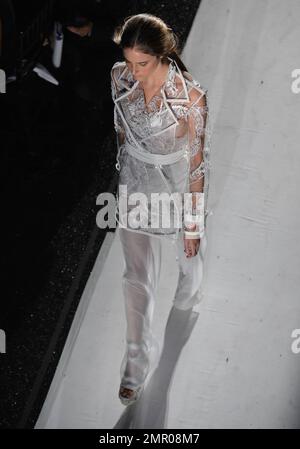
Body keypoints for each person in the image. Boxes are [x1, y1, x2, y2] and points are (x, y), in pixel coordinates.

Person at [110, 13, 212, 406]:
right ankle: (135, 361)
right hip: (135, 183)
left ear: (163, 55)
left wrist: (191, 224)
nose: (133, 73)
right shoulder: (118, 75)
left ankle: (191, 291)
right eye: (130, 62)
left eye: (143, 64)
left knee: (188, 257)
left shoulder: (191, 98)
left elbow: (198, 164)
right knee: (135, 277)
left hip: (172, 186)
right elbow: (120, 129)